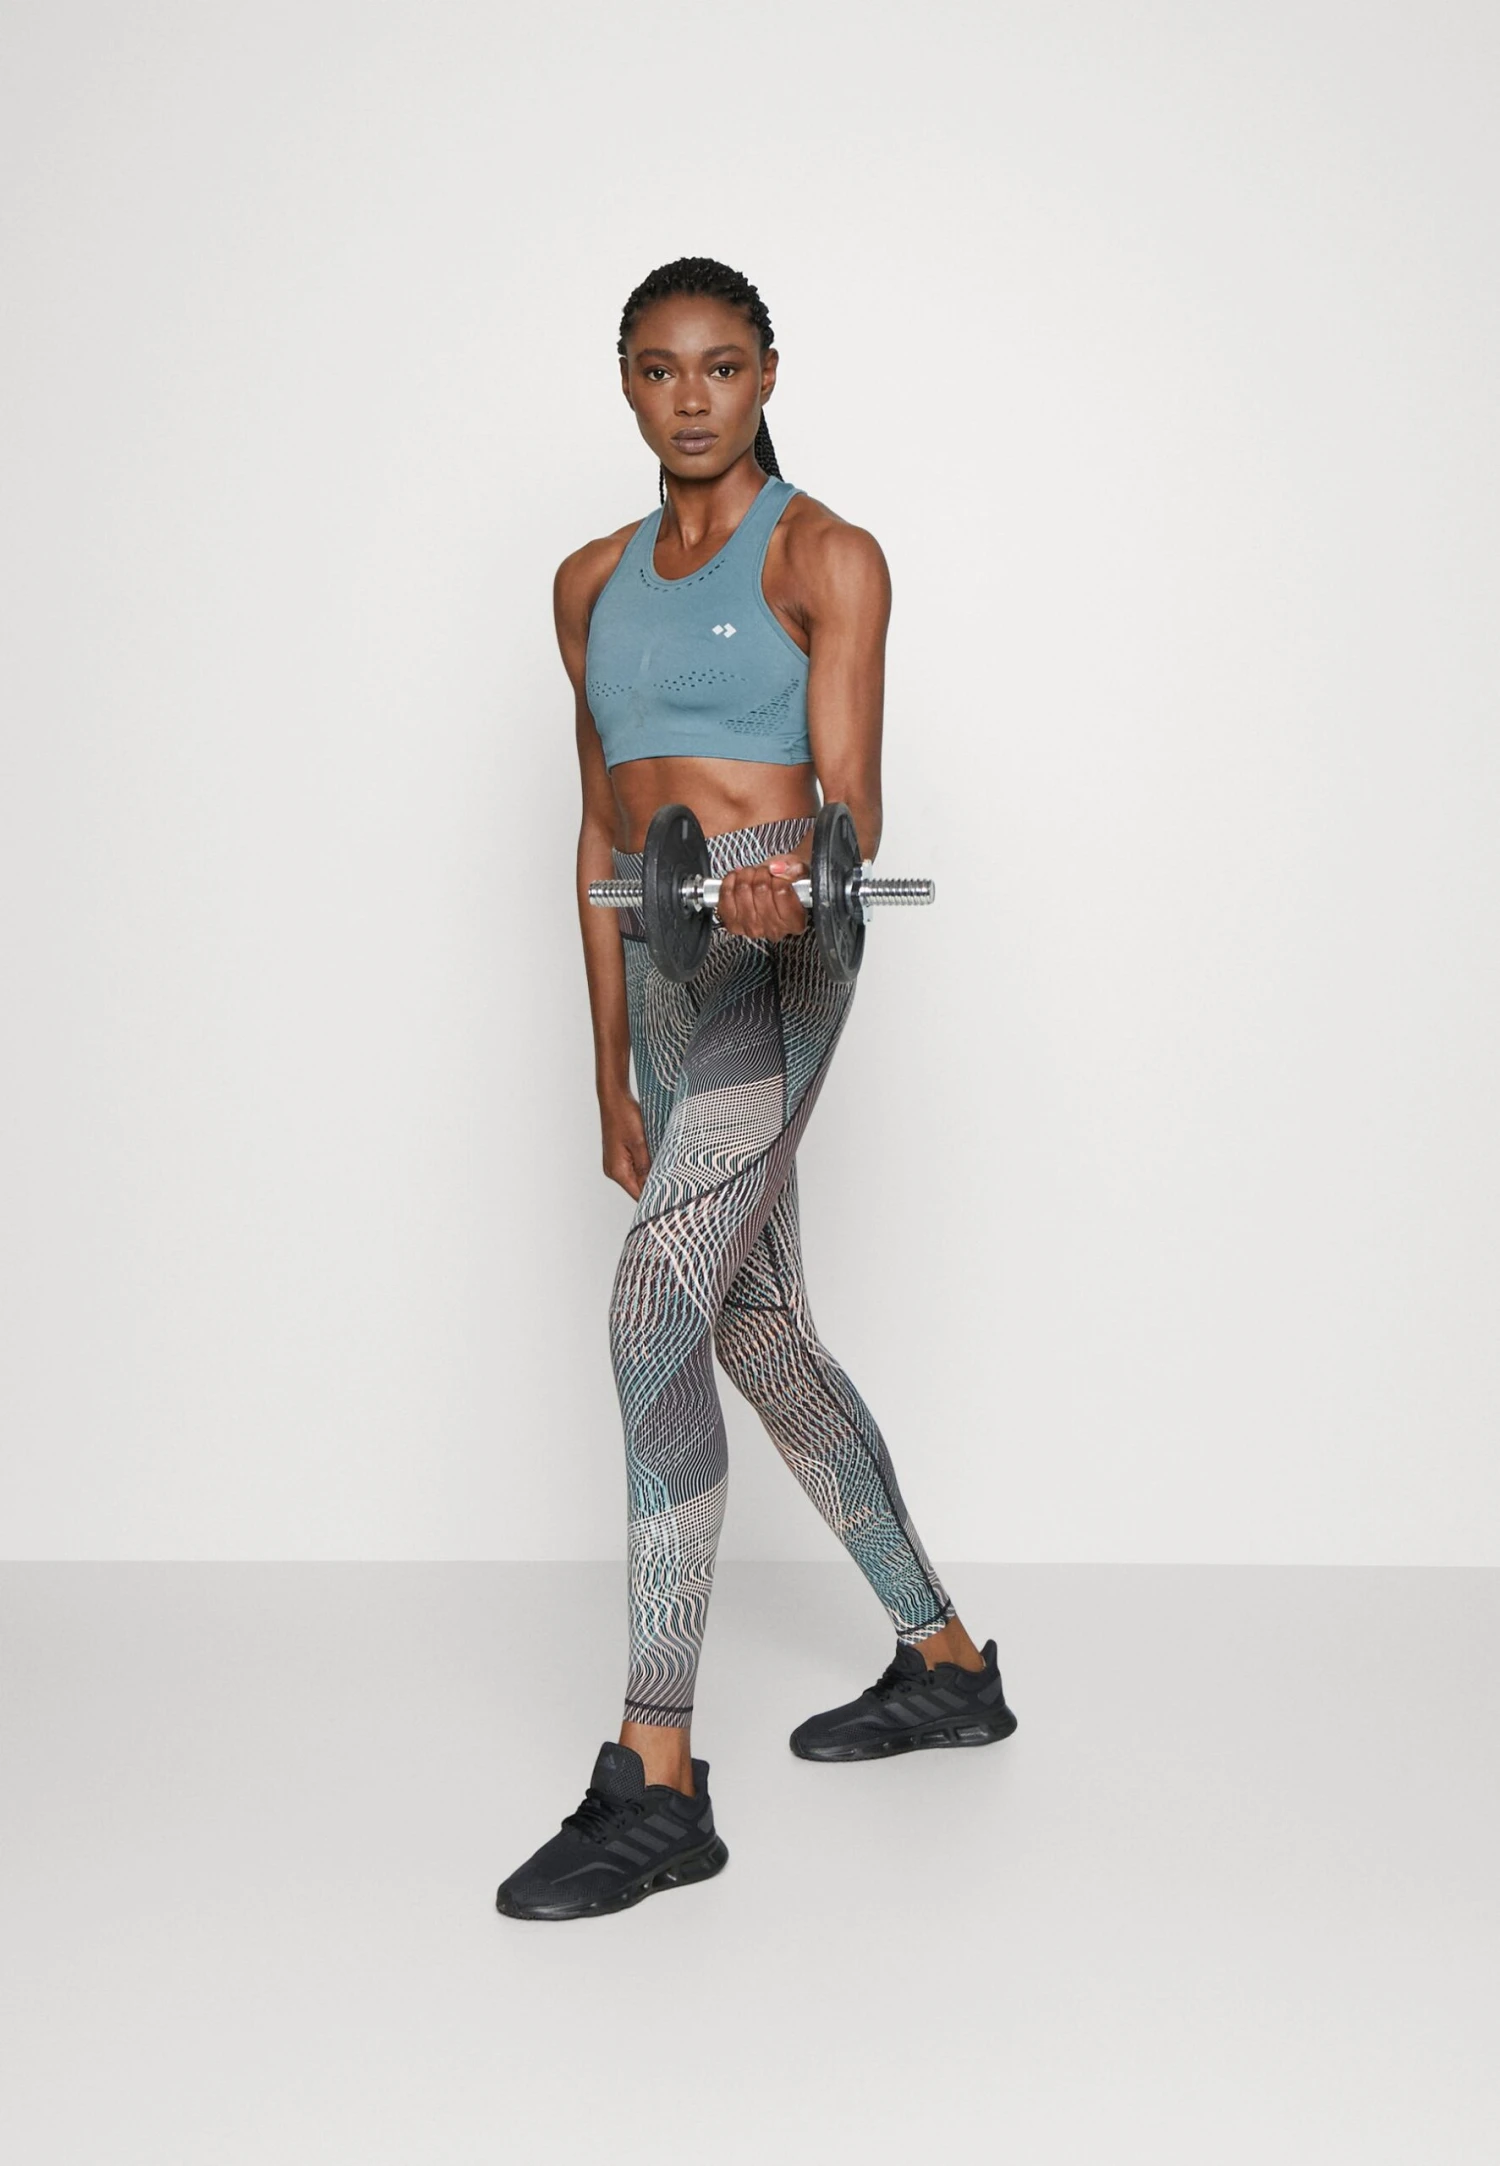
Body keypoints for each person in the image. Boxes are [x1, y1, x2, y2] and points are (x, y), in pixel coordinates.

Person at [495, 258, 1016, 1923]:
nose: (693, 397)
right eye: (661, 369)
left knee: (654, 1308)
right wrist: (602, 1061)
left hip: (782, 953)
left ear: (769, 374)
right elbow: (599, 835)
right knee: (759, 1329)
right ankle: (946, 1661)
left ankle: (656, 1776)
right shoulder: (587, 583)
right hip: (663, 965)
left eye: (722, 366)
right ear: (627, 384)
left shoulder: (824, 555)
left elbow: (852, 795)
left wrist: (803, 868)